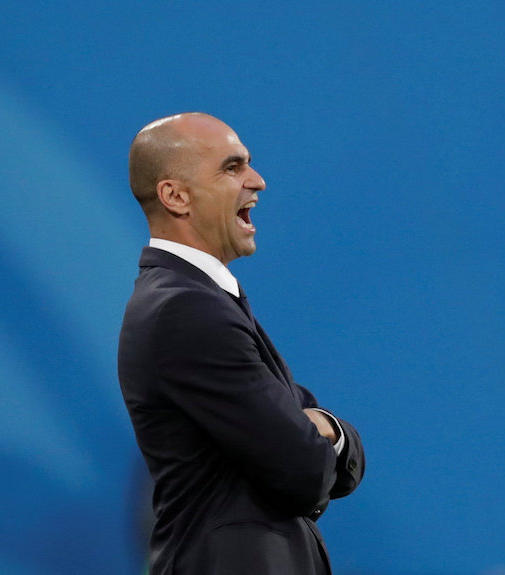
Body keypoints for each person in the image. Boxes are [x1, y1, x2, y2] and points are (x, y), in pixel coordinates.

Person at [118, 112, 365, 575]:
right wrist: (327, 431)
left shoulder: (201, 299)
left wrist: (319, 426)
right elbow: (304, 471)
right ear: (175, 196)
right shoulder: (186, 310)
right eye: (232, 168)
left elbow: (328, 455)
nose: (258, 180)